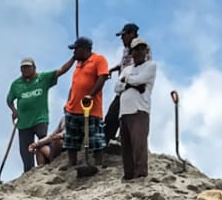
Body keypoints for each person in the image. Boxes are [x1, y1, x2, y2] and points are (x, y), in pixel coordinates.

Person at [53, 37, 111, 173]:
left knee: (95, 137)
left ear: (85, 49)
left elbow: (102, 78)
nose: (74, 53)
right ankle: (71, 162)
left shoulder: (98, 59)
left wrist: (90, 95)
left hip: (91, 108)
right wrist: (68, 102)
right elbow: (74, 85)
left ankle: (97, 163)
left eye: (76, 49)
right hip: (73, 108)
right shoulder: (78, 64)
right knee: (71, 138)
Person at [7, 58, 60, 174]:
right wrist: (14, 110)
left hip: (40, 118)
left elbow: (59, 72)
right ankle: (29, 172)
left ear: (34, 68)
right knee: (26, 151)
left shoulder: (42, 78)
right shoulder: (16, 84)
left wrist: (73, 59)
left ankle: (49, 164)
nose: (25, 70)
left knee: (43, 141)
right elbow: (9, 100)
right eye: (23, 68)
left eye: (28, 67)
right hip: (24, 122)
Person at [116, 38, 156, 180]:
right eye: (136, 50)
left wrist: (127, 81)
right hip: (124, 110)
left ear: (146, 50)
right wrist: (130, 83)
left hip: (139, 109)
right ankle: (129, 174)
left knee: (139, 144)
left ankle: (140, 173)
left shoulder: (150, 66)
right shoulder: (127, 69)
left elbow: (139, 80)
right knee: (126, 146)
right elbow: (117, 87)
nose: (138, 52)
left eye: (141, 49)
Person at [104, 22, 141, 144]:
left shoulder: (142, 49)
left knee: (127, 116)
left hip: (133, 88)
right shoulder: (126, 50)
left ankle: (123, 141)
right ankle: (107, 140)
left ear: (132, 34)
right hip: (122, 88)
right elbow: (123, 63)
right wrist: (113, 69)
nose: (122, 38)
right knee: (112, 116)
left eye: (124, 35)